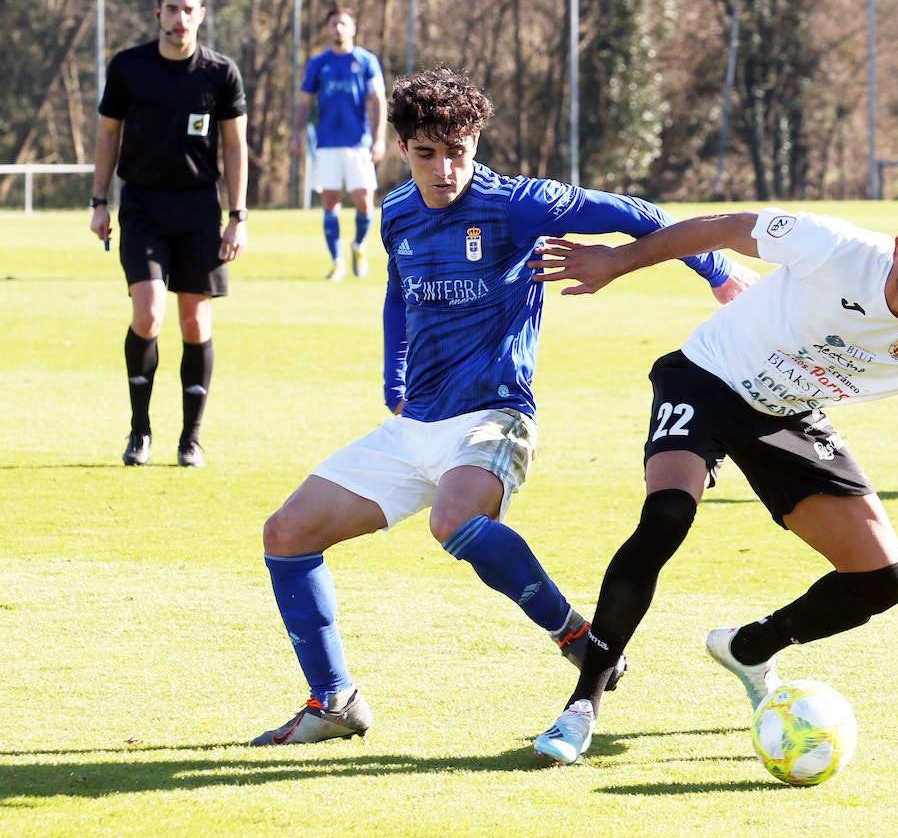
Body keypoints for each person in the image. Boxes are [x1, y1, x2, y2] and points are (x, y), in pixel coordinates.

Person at [251, 65, 755, 746]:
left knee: (452, 518)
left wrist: (719, 273)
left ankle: (575, 634)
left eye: (456, 150)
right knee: (286, 533)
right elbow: (398, 292)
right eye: (426, 153)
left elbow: (638, 214)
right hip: (415, 425)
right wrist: (392, 368)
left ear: (476, 140)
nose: (442, 168)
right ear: (402, 149)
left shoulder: (518, 204)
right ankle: (334, 699)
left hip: (496, 414)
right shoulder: (397, 212)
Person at [527, 190, 898, 765]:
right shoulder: (836, 246)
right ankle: (583, 704)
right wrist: (617, 261)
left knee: (883, 578)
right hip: (707, 377)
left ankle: (750, 647)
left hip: (788, 414)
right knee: (666, 517)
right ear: (897, 252)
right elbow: (724, 226)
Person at [88, 0, 248, 469]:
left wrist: (238, 215)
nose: (180, 18)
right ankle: (140, 430)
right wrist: (99, 201)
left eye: (189, 9)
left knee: (196, 321)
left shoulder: (220, 73)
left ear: (201, 14)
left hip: (200, 208)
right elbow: (108, 135)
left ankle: (191, 439)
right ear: (158, 12)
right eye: (171, 9)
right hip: (142, 205)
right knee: (149, 313)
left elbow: (235, 145)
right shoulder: (129, 67)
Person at [290, 8, 387, 280]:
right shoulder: (318, 63)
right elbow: (305, 101)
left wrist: (379, 138)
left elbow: (379, 101)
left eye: (343, 24)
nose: (338, 29)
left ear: (353, 28)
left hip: (359, 143)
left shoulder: (367, 61)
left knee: (364, 201)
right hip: (327, 143)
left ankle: (359, 245)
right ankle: (337, 262)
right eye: (333, 24)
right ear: (327, 29)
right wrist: (297, 133)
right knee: (330, 200)